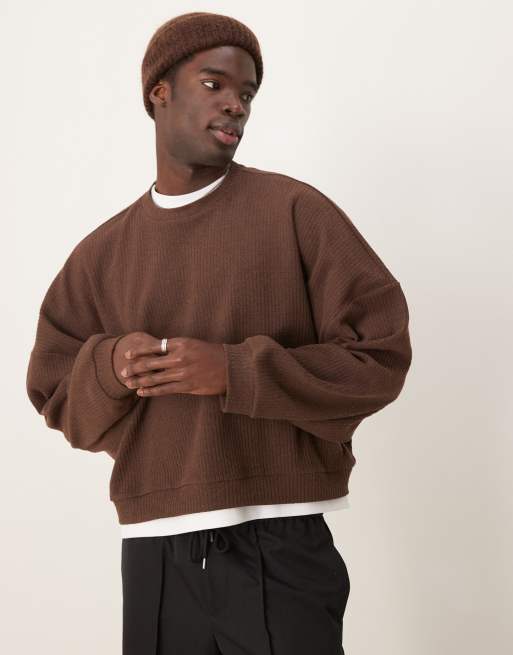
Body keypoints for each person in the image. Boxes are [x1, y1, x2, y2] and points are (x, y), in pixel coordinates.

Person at [25, 11, 412, 655]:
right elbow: (55, 395)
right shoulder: (101, 254)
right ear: (159, 91)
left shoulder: (295, 211)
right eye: (215, 84)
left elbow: (380, 357)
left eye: (247, 93)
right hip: (153, 549)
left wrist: (236, 372)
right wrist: (110, 365)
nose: (236, 104)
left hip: (279, 542)